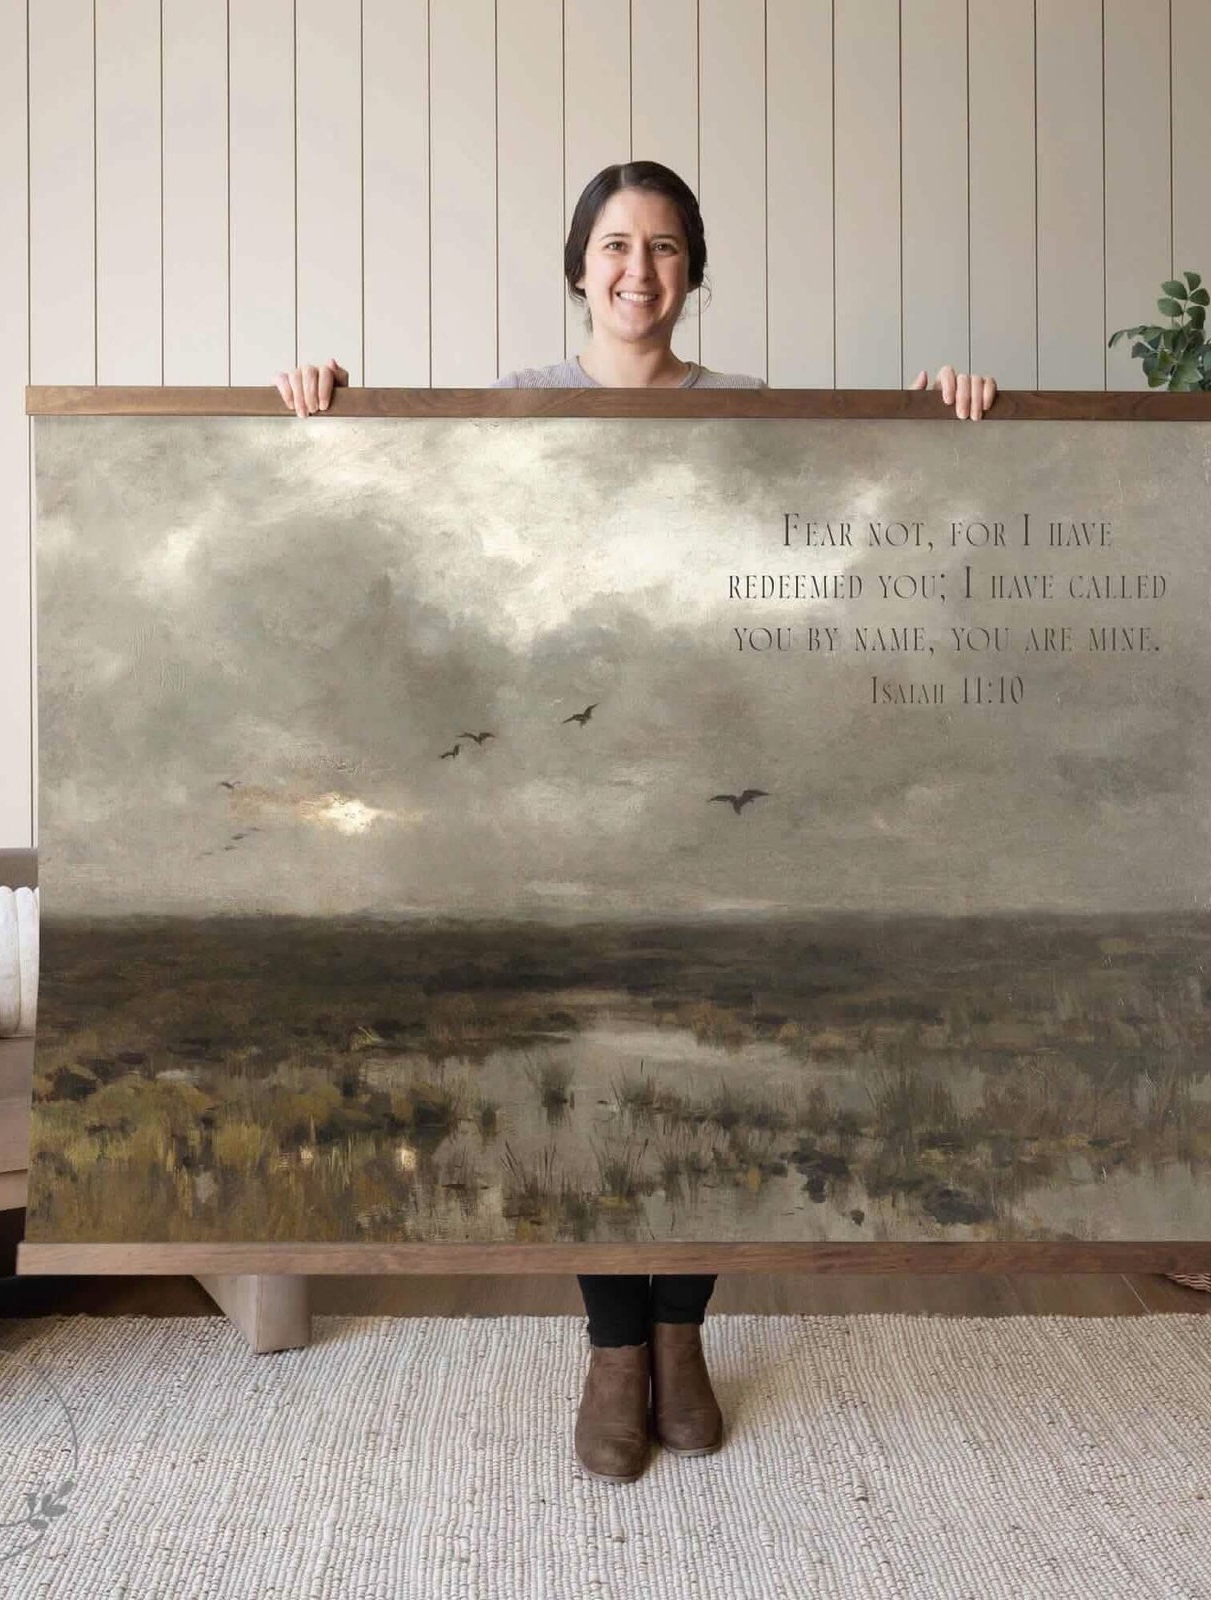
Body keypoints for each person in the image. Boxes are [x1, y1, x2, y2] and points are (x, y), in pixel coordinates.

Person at [276, 160, 998, 1484]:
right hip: (568, 775)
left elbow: (840, 535)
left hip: (711, 763)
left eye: (664, 248)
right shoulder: (509, 408)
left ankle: (684, 1334)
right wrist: (327, 416)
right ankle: (615, 1350)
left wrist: (945, 417)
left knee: (702, 1045)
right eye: (615, 246)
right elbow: (409, 524)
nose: (637, 272)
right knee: (597, 1050)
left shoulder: (749, 412)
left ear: (693, 271)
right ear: (576, 266)